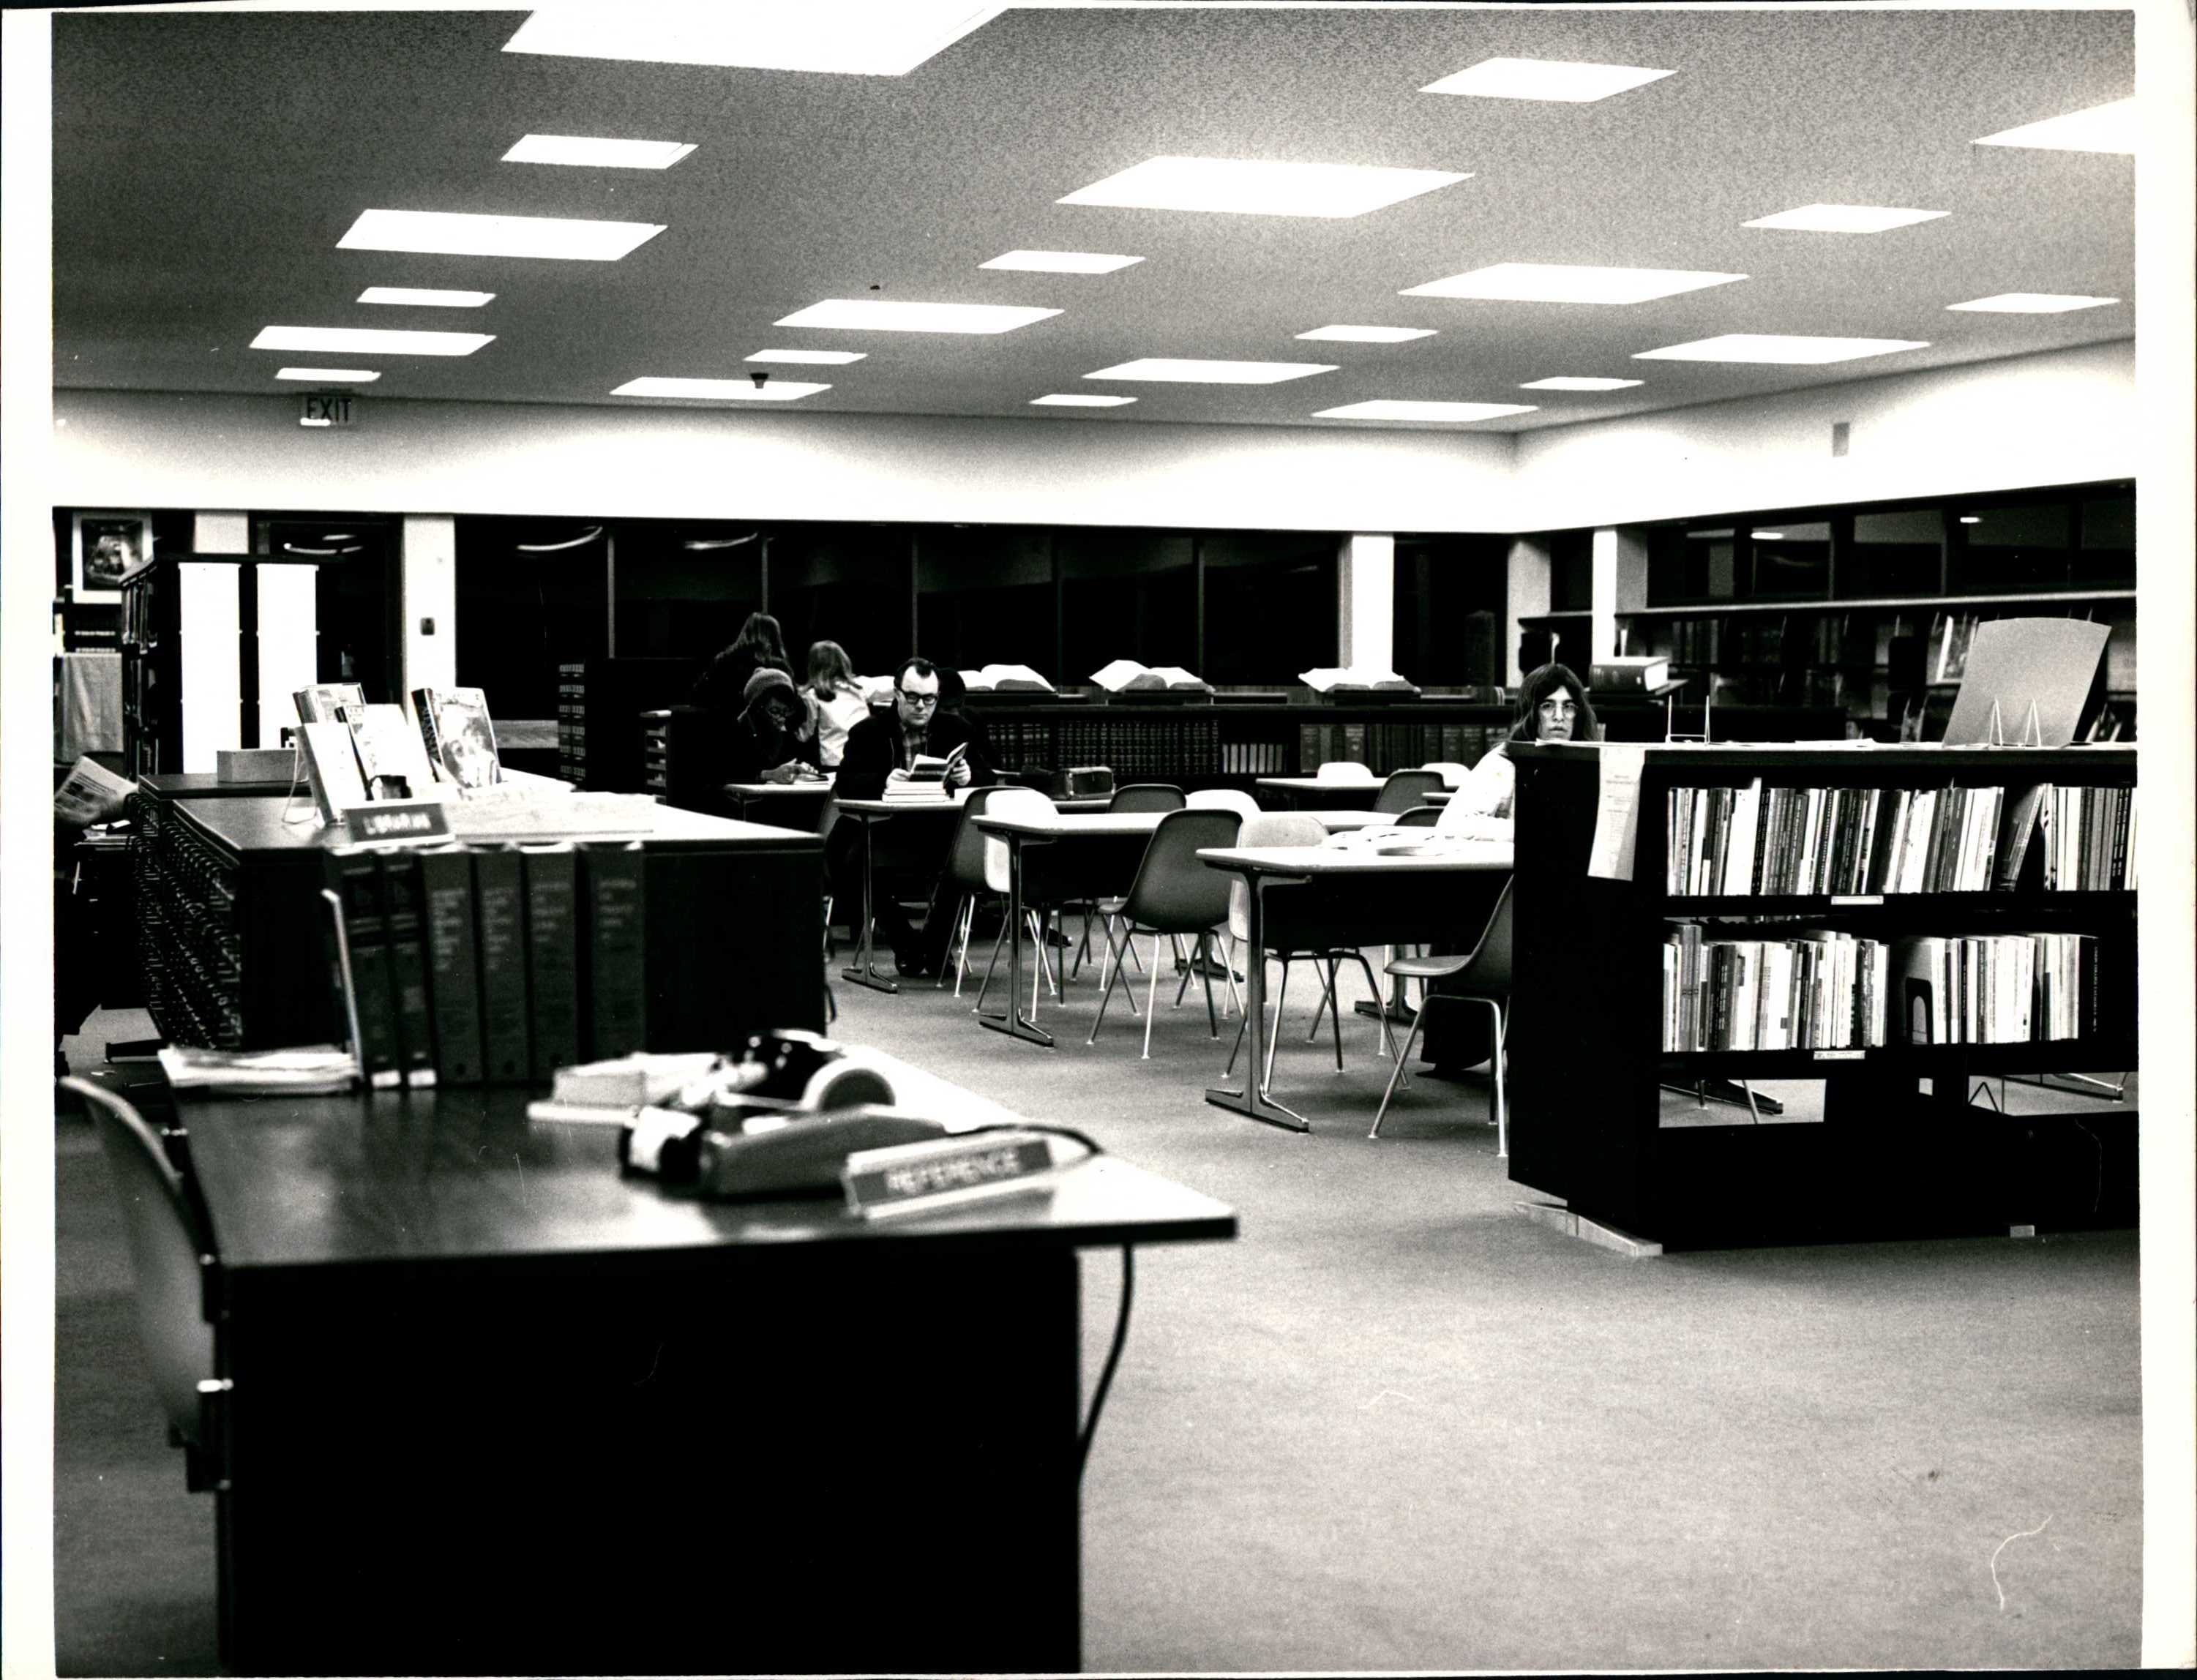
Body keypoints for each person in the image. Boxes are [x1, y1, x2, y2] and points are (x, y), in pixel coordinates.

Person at [829, 656, 996, 975]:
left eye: (930, 699)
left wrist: (969, 775)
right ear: (897, 694)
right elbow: (846, 781)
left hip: (936, 829)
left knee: (965, 859)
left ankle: (934, 948)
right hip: (884, 828)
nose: (922, 706)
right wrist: (882, 781)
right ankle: (907, 944)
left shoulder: (956, 729)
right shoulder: (868, 732)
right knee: (851, 859)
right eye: (913, 697)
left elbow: (989, 777)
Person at [1437, 661, 1599, 830]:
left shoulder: (1596, 760)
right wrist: (1526, 831)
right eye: (1547, 706)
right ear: (1531, 712)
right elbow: (1452, 823)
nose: (1559, 716)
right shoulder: (1503, 760)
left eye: (1568, 706)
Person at [722, 667, 824, 785]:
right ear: (757, 708)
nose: (781, 719)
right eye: (774, 711)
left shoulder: (783, 735)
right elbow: (726, 772)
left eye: (786, 712)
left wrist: (796, 770)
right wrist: (768, 774)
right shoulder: (735, 730)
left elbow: (785, 766)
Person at [693, 611, 792, 715]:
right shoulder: (778, 667)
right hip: (766, 727)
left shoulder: (724, 660)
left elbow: (699, 694)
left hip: (726, 723)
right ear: (775, 636)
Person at [803, 640, 871, 770]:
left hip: (834, 761)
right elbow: (894, 683)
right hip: (865, 758)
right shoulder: (861, 687)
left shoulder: (813, 695)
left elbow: (805, 734)